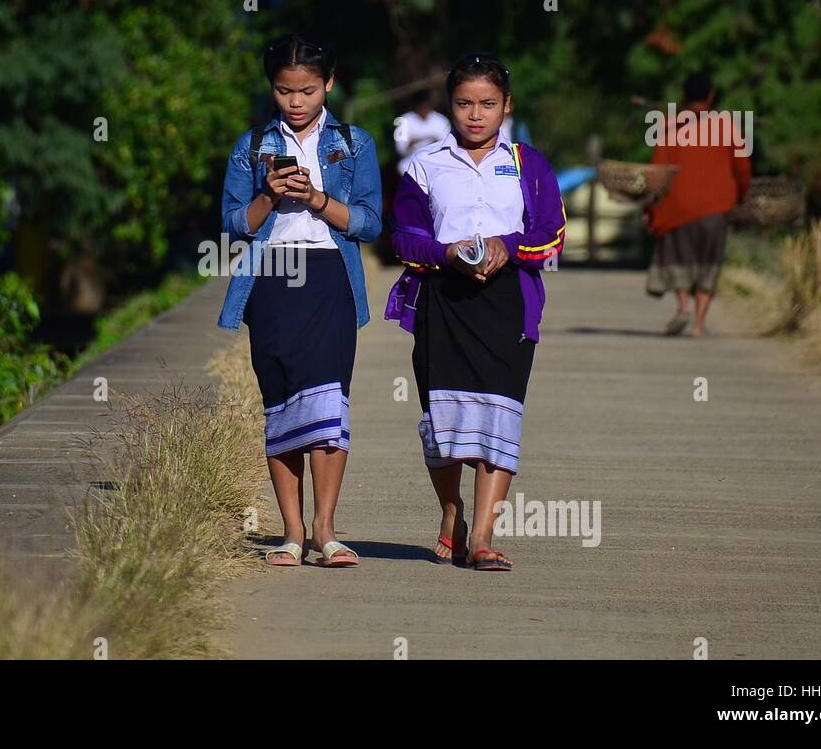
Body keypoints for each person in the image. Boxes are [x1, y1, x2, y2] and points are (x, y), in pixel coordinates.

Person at [385, 52, 566, 571]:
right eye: (464, 103)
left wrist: (507, 246)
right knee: (441, 420)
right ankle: (452, 511)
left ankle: (483, 535)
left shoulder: (529, 164)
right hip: (443, 301)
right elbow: (404, 235)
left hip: (509, 304)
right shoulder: (426, 164)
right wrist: (446, 253)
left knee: (499, 417)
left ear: (506, 106)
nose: (475, 114)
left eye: (488, 103)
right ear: (450, 106)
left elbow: (551, 234)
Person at [217, 34, 383, 567]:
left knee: (329, 400)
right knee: (283, 401)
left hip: (330, 276)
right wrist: (269, 194)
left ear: (329, 85)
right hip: (271, 278)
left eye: (308, 90)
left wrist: (316, 198)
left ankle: (325, 529)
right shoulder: (250, 146)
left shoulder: (354, 144)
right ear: (272, 89)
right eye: (285, 90)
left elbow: (371, 222)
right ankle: (290, 532)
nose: (296, 102)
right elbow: (232, 224)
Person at [642, 72, 752, 336]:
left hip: (677, 206)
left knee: (681, 259)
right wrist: (741, 196)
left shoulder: (669, 126)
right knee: (708, 263)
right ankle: (700, 325)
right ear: (711, 95)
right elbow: (742, 168)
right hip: (716, 206)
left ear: (684, 95)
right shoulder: (727, 126)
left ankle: (683, 307)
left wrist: (651, 208)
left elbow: (657, 173)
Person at [394, 91, 452, 178]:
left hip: (437, 160)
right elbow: (400, 149)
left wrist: (437, 142)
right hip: (412, 160)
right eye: (421, 106)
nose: (424, 109)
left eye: (426, 106)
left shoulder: (440, 120)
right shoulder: (404, 120)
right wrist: (410, 144)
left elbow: (449, 145)